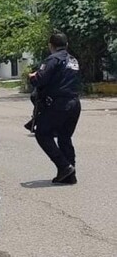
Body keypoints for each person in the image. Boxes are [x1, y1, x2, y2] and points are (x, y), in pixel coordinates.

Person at [29, 32, 81, 184]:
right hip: (74, 103)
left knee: (42, 134)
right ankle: (70, 174)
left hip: (58, 104)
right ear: (67, 45)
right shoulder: (73, 60)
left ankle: (64, 166)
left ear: (50, 46)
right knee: (65, 137)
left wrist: (33, 76)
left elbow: (40, 79)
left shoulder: (53, 59)